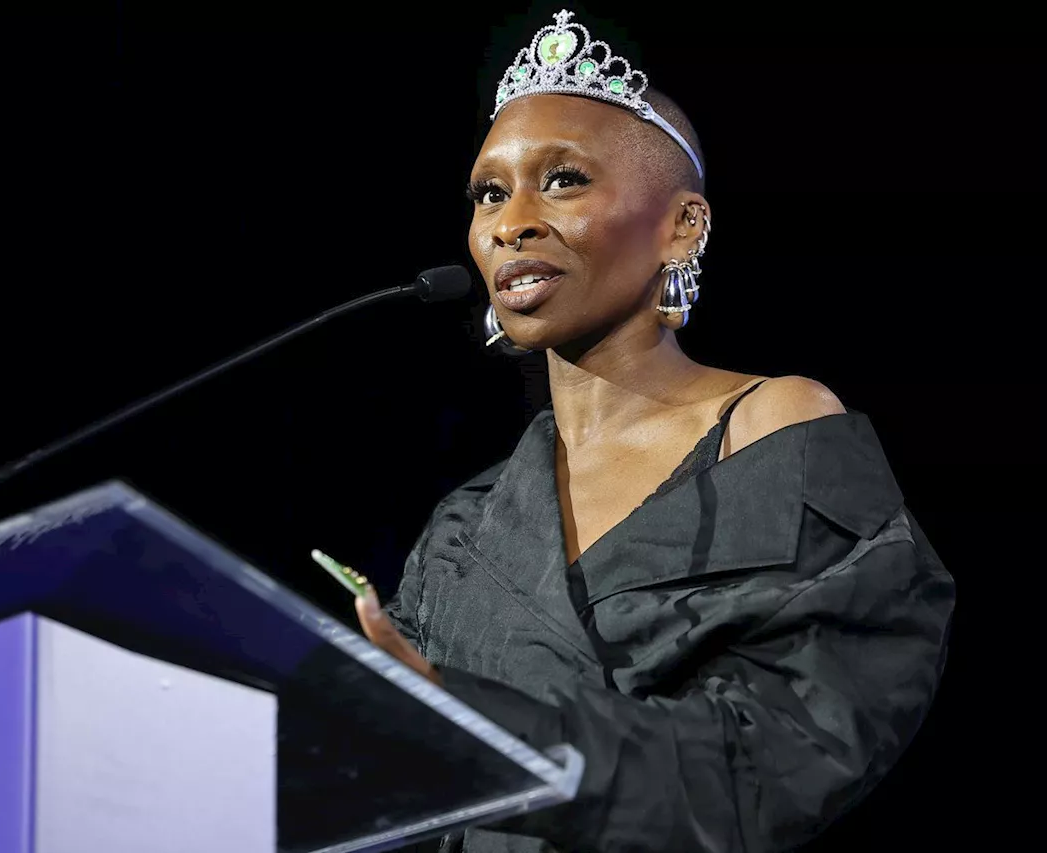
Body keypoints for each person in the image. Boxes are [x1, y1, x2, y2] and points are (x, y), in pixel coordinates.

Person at [354, 10, 955, 853]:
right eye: (490, 191)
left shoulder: (772, 429)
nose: (510, 220)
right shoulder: (468, 522)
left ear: (683, 225)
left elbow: (767, 761)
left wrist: (477, 718)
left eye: (562, 180)